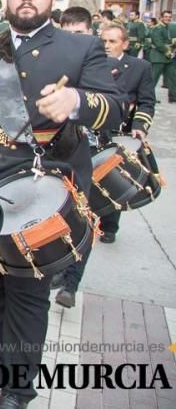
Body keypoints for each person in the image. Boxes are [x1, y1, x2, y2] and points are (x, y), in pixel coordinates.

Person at [0, 0, 123, 409]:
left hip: (45, 187)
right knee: (0, 281)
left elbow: (115, 106)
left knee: (28, 289)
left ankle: (19, 388)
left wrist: (78, 100)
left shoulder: (79, 49)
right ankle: (9, 360)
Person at [55, 21, 156, 308]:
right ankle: (61, 266)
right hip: (73, 145)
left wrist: (139, 126)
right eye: (105, 40)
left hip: (109, 141)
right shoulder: (80, 62)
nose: (108, 45)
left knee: (92, 213)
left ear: (125, 43)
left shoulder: (139, 69)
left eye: (114, 41)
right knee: (71, 212)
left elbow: (146, 102)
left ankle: (71, 283)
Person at [146, 10, 175, 103]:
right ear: (161, 17)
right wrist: (167, 51)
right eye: (166, 17)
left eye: (169, 17)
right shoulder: (157, 28)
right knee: (154, 79)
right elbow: (158, 43)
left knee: (172, 77)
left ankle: (173, 97)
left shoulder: (169, 27)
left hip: (168, 57)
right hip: (158, 56)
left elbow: (170, 41)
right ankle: (149, 98)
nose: (168, 18)